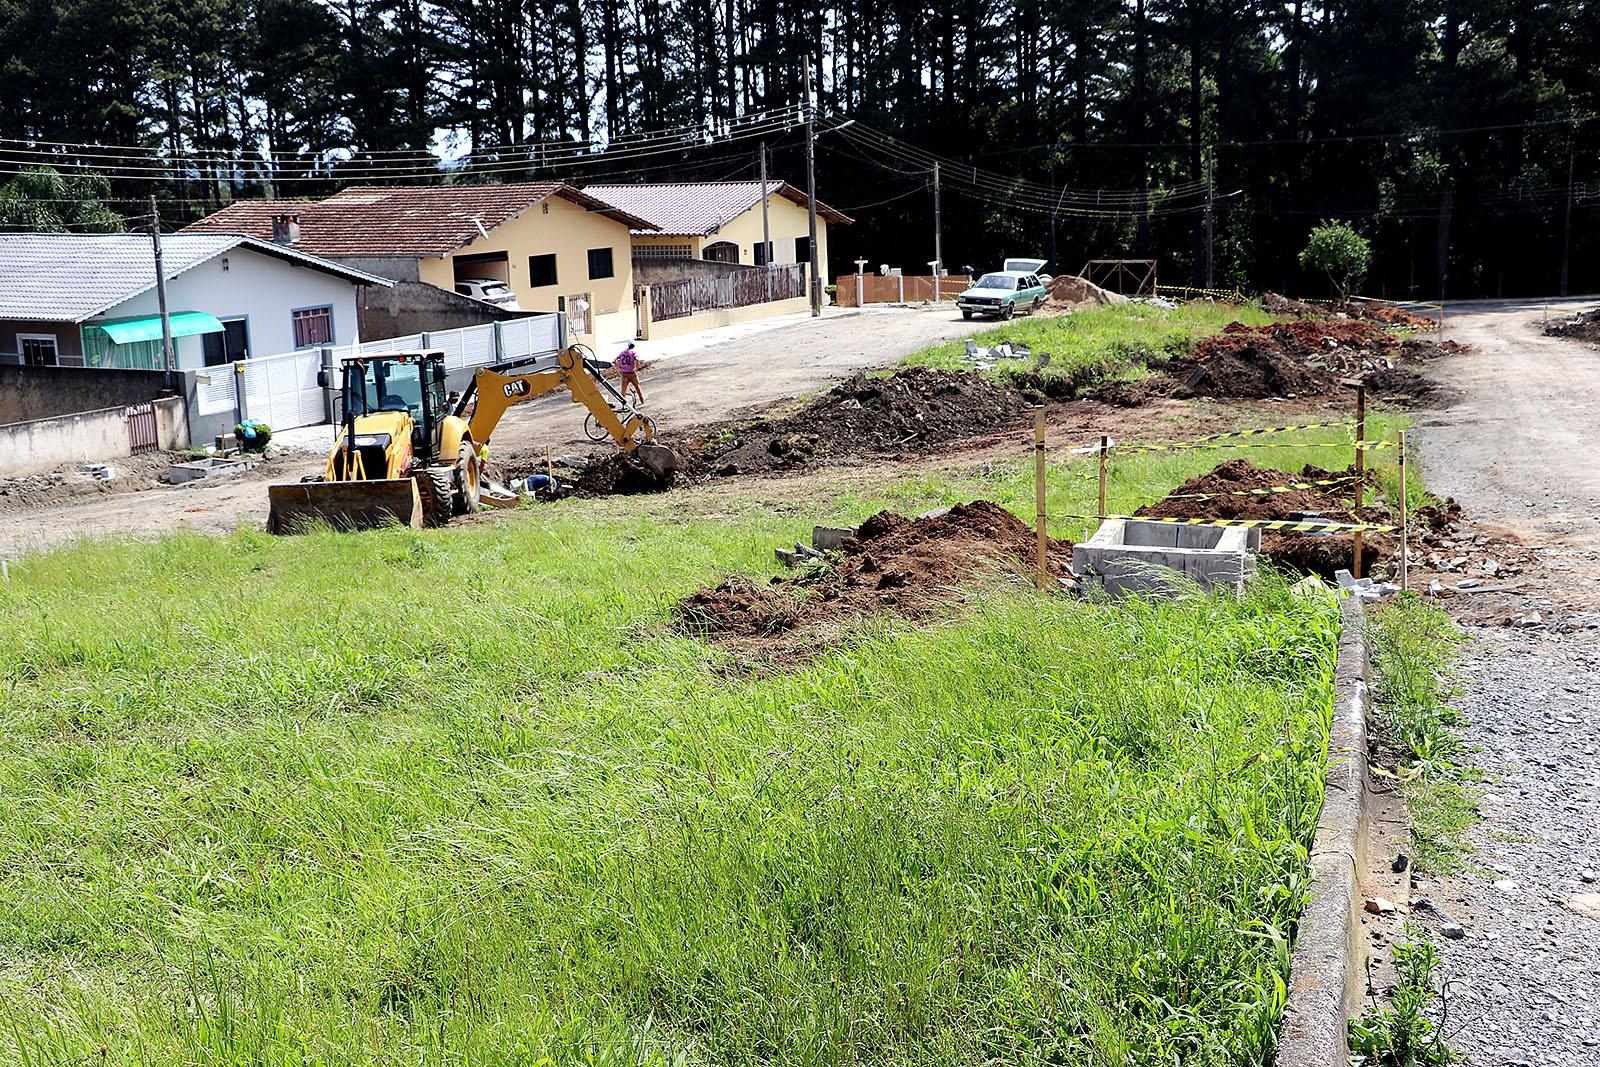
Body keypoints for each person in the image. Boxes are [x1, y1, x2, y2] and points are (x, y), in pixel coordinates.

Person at [615, 340, 644, 405]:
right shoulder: (633, 352)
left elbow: (616, 359)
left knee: (623, 389)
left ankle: (623, 403)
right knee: (637, 386)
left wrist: (619, 367)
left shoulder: (622, 352)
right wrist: (637, 367)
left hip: (624, 373)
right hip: (632, 373)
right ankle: (641, 399)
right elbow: (637, 359)